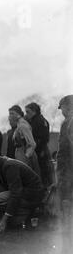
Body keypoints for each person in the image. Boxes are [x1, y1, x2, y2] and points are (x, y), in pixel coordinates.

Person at [0, 144, 44, 235]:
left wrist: (4, 221)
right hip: (22, 192)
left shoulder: (9, 166)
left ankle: (20, 218)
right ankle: (5, 221)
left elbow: (15, 194)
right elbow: (7, 189)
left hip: (31, 196)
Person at [56, 95, 73, 243]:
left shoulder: (68, 123)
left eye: (62, 108)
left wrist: (61, 174)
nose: (62, 112)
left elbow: (65, 150)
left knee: (67, 202)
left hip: (68, 171)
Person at [25, 103, 52, 187]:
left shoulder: (37, 121)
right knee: (44, 173)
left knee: (42, 173)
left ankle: (45, 195)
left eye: (28, 112)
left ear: (34, 111)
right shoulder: (40, 120)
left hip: (40, 151)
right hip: (41, 150)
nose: (26, 114)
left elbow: (43, 138)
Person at [8, 105, 40, 176]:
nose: (10, 116)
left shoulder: (22, 125)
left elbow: (32, 144)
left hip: (24, 155)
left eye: (12, 113)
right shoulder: (18, 125)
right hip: (20, 155)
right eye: (9, 114)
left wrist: (26, 157)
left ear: (18, 114)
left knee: (27, 177)